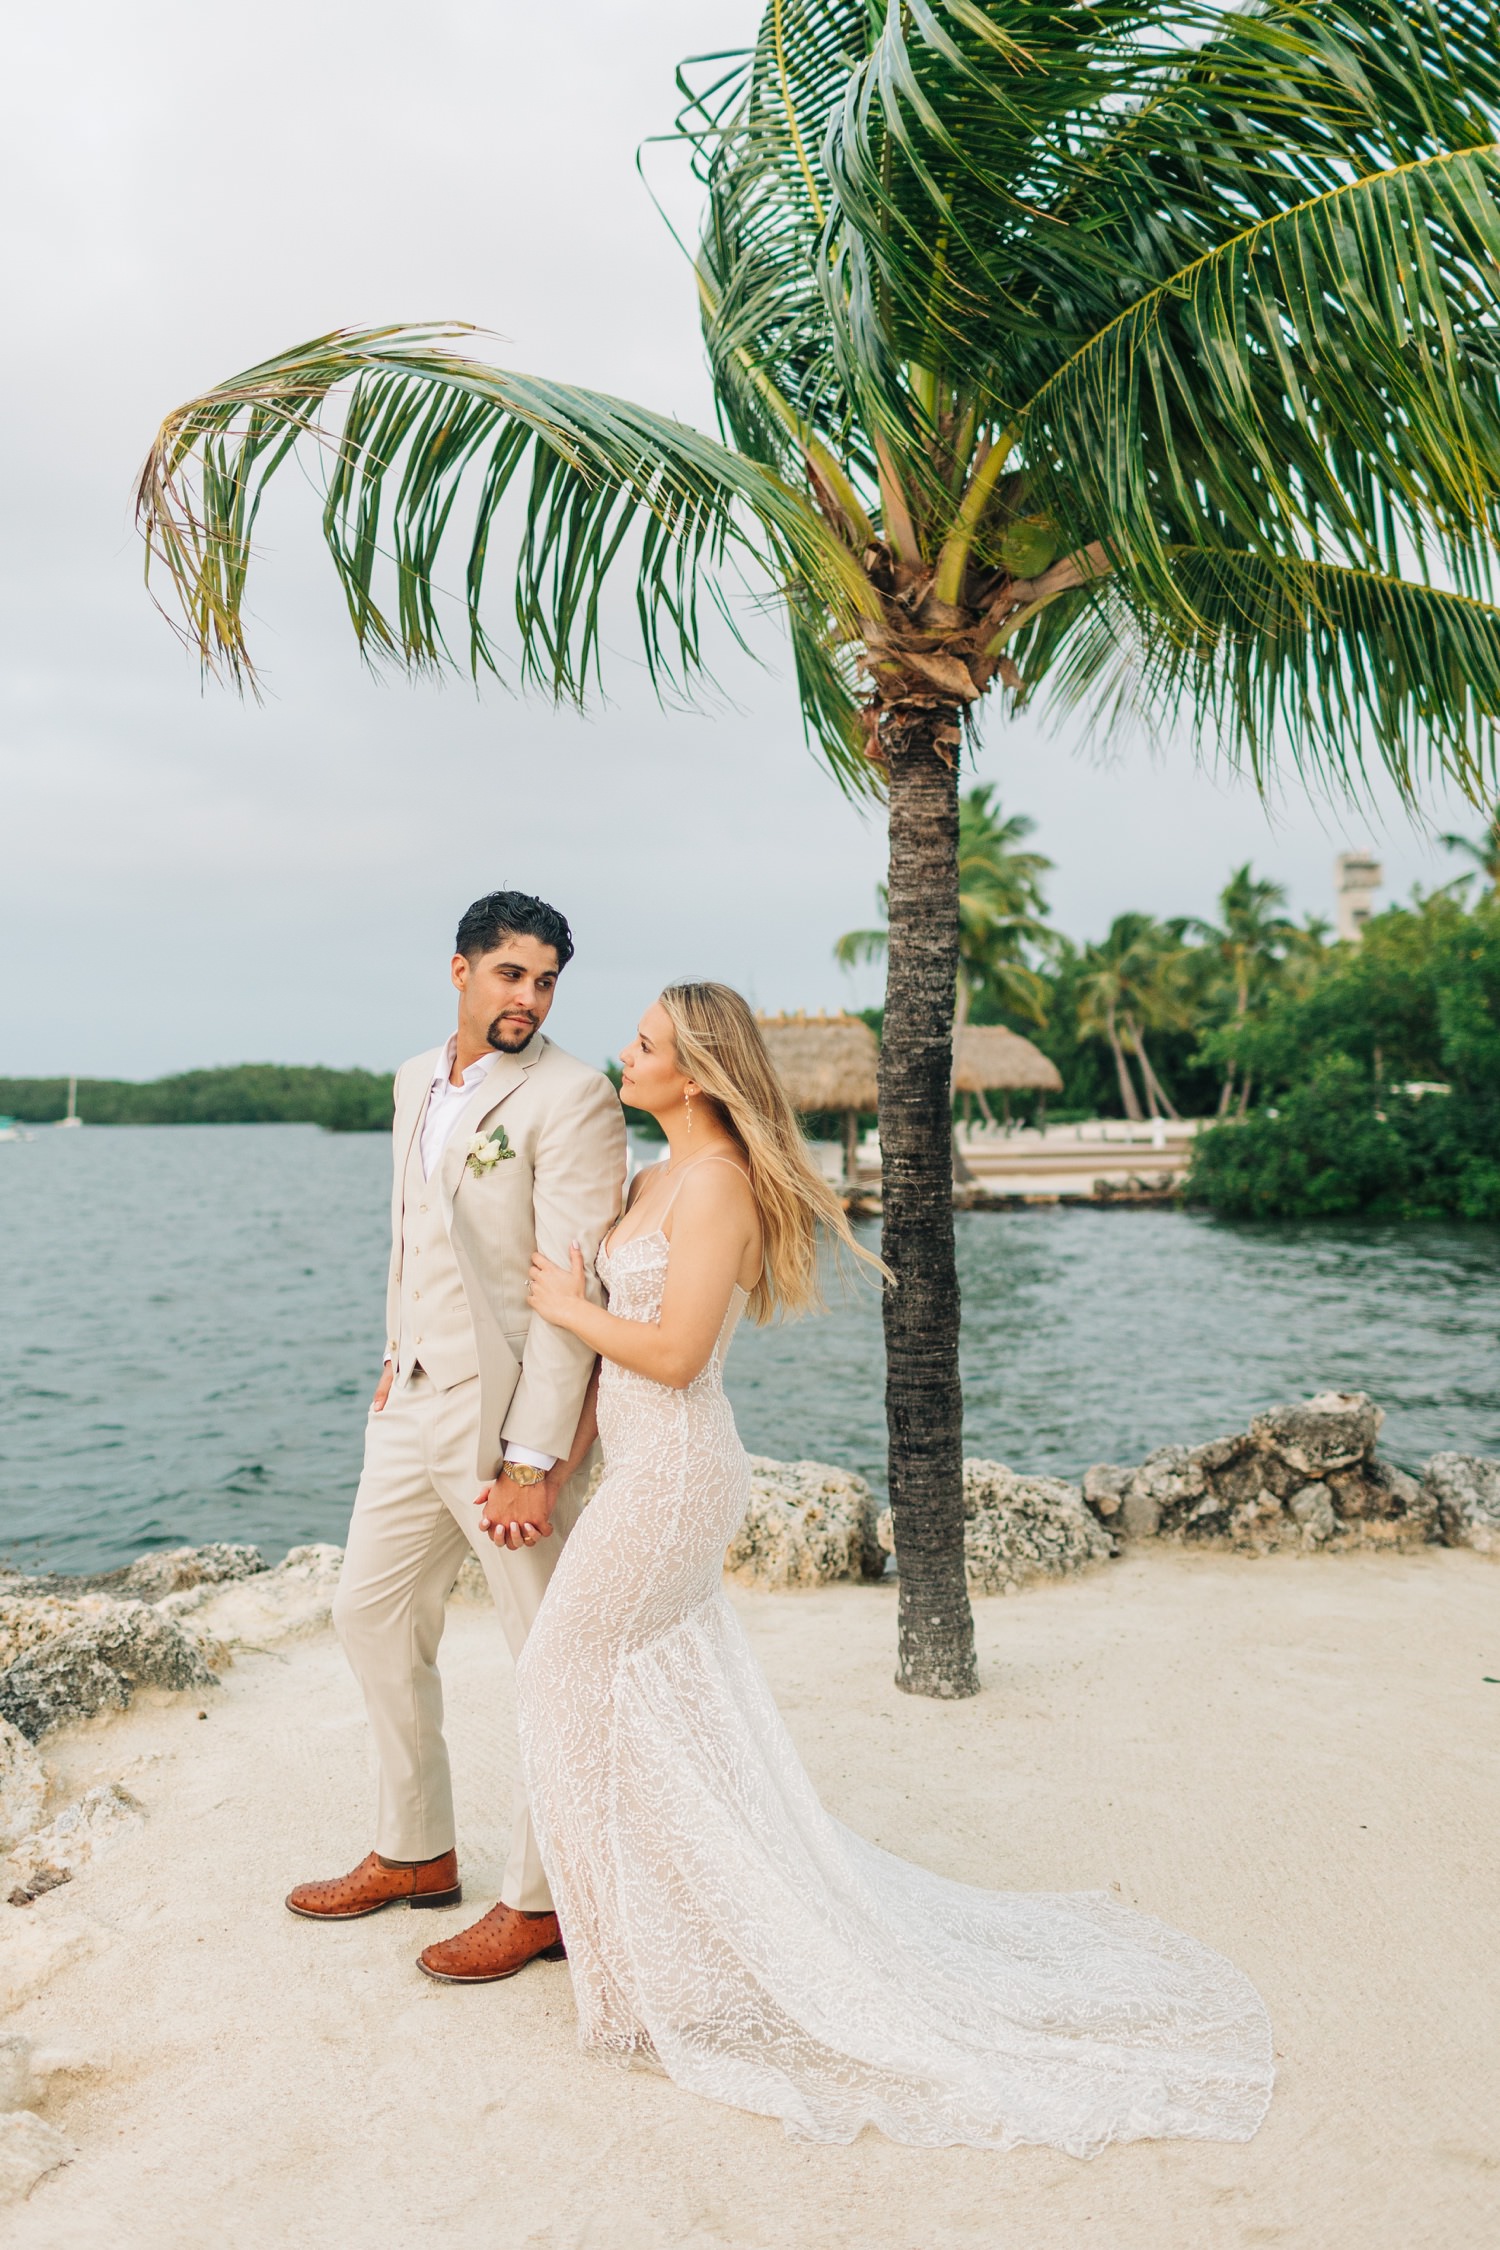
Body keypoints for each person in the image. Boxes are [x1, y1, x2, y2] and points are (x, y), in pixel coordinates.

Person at [515, 981, 1274, 2152]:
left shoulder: (712, 1187)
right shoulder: (651, 1178)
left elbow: (667, 1356)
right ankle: (661, 1950)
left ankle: (667, 1957)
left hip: (674, 1478)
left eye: (648, 1043)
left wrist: (571, 1305)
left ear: (701, 1072)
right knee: (633, 1704)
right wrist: (548, 1453)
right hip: (636, 1474)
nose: (627, 1051)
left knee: (570, 1687)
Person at [285, 891, 626, 1986]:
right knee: (369, 1612)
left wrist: (534, 1457)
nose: (528, 997)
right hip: (412, 1398)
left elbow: (568, 1296)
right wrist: (394, 1350)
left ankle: (543, 1897)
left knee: (548, 1657)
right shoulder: (410, 1080)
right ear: (460, 971)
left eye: (546, 980)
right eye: (510, 974)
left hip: (503, 1420)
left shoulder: (574, 1099)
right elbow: (412, 1231)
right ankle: (416, 1850)